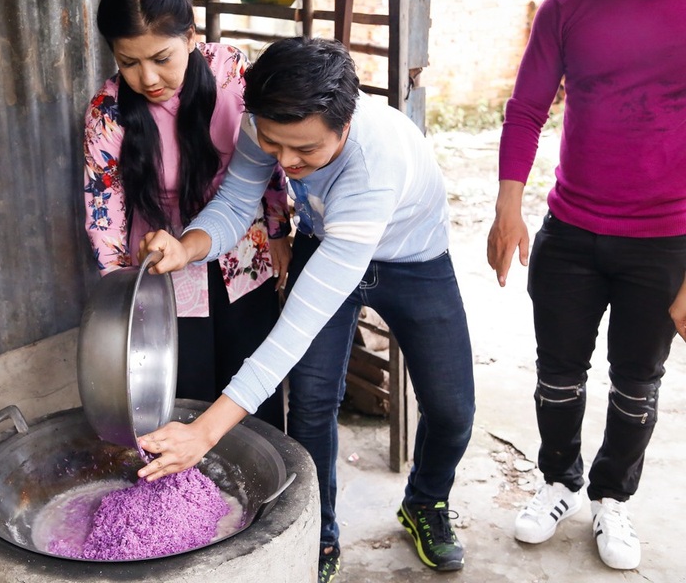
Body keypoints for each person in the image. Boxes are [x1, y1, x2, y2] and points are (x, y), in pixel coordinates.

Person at [135, 37, 476, 580]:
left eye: (306, 152)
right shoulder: (264, 124)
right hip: (326, 241)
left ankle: (425, 501)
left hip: (414, 261)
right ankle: (319, 532)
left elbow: (295, 330)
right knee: (313, 403)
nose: (288, 166)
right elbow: (237, 202)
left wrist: (205, 430)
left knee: (453, 410)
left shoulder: (372, 167)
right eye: (275, 145)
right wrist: (188, 245)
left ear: (345, 123)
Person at [486, 0, 686, 571]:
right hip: (571, 230)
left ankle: (611, 495)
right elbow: (526, 109)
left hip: (666, 239)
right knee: (558, 373)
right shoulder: (570, 5)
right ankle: (560, 482)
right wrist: (508, 205)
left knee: (636, 383)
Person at [83, 0, 292, 430]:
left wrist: (278, 228)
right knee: (187, 392)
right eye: (129, 62)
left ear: (192, 36)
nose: (148, 78)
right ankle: (191, 492)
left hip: (243, 249)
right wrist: (123, 289)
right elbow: (104, 208)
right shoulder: (109, 108)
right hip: (163, 266)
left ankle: (268, 489)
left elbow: (271, 150)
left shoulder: (231, 70)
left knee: (254, 385)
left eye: (161, 58)